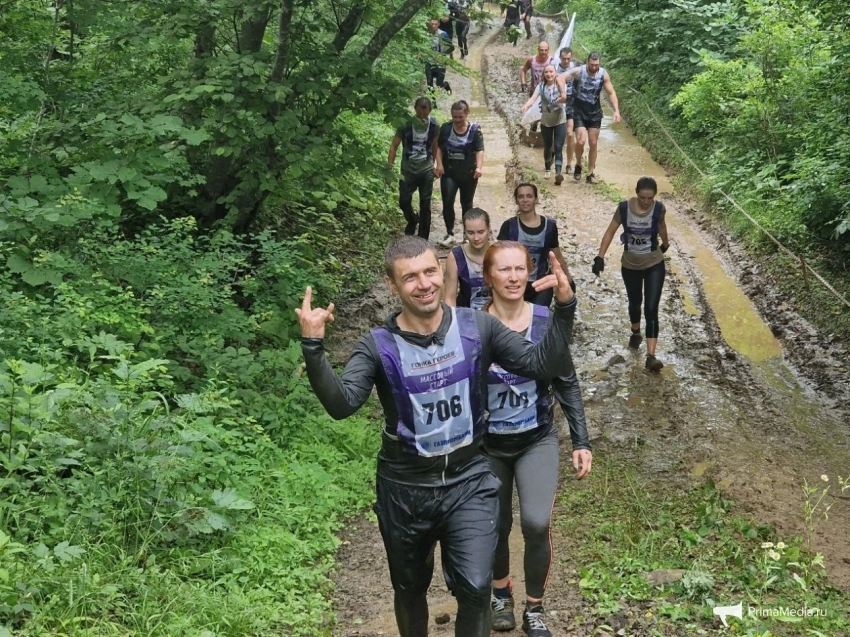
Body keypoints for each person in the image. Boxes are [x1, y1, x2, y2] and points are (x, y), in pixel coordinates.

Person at [297, 235, 579, 637]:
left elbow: (540, 363)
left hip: (469, 481)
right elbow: (342, 404)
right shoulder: (377, 346)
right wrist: (313, 347)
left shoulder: (476, 326)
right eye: (410, 277)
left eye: (430, 271)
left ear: (441, 273)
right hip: (406, 487)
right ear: (392, 285)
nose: (424, 284)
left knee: (477, 588)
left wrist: (564, 308)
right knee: (409, 589)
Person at [481, 241, 592, 637]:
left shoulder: (545, 321)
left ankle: (534, 608)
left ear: (530, 273)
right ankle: (500, 594)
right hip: (487, 445)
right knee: (494, 524)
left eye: (520, 269)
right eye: (504, 269)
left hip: (536, 439)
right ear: (488, 276)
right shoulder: (473, 325)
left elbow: (566, 381)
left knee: (535, 521)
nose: (513, 277)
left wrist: (581, 441)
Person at [592, 176, 669, 372]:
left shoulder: (659, 209)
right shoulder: (624, 208)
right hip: (630, 265)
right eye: (643, 197)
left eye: (650, 198)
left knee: (651, 308)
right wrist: (600, 256)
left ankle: (651, 356)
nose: (646, 202)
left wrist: (665, 243)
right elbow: (610, 231)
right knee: (635, 303)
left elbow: (661, 226)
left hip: (654, 263)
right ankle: (635, 332)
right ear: (636, 194)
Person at [497, 183, 573, 306]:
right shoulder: (509, 226)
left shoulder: (549, 227)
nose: (525, 200)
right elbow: (497, 259)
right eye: (521, 196)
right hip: (513, 284)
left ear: (536, 199)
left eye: (529, 196)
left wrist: (568, 280)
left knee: (538, 317)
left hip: (542, 285)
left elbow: (557, 256)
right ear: (516, 200)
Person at [560, 51, 620, 184]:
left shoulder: (603, 74)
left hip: (595, 112)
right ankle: (578, 164)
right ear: (588, 62)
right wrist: (563, 93)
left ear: (600, 63)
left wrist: (616, 111)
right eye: (592, 65)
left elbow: (611, 93)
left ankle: (590, 173)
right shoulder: (578, 72)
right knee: (581, 141)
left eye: (596, 65)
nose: (594, 67)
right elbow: (561, 78)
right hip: (579, 111)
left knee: (593, 143)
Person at [435, 100, 485, 247]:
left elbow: (479, 150)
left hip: (469, 173)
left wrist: (479, 167)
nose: (457, 120)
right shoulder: (446, 128)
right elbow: (438, 148)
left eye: (460, 117)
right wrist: (439, 164)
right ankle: (450, 234)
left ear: (467, 113)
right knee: (447, 202)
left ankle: (466, 235)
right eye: (454, 117)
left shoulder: (475, 130)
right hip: (449, 173)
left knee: (466, 204)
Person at [388, 97, 439, 239]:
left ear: (430, 110)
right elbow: (394, 146)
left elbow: (435, 145)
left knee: (425, 204)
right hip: (408, 169)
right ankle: (411, 219)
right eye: (419, 113)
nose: (422, 116)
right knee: (404, 201)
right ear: (415, 109)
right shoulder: (405, 124)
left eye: (425, 113)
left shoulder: (434, 125)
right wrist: (389, 169)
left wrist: (435, 164)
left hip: (426, 169)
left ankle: (423, 238)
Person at [521, 65, 567, 185]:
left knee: (558, 146)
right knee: (548, 146)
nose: (549, 74)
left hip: (560, 120)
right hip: (546, 121)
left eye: (551, 71)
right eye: (546, 72)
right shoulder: (541, 87)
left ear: (555, 72)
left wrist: (560, 99)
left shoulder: (560, 84)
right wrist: (526, 106)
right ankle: (547, 169)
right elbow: (533, 99)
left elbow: (564, 97)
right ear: (544, 74)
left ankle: (558, 173)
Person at [444, 208, 493, 309]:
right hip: (466, 312)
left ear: (489, 229)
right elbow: (450, 298)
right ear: (465, 232)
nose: (476, 238)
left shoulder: (500, 252)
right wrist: (452, 317)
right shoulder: (456, 256)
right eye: (471, 233)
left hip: (497, 313)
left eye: (481, 232)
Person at [555, 47, 578, 176]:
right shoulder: (554, 69)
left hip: (571, 103)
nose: (566, 61)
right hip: (557, 104)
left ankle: (569, 164)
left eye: (568, 59)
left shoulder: (575, 69)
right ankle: (553, 157)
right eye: (564, 59)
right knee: (556, 136)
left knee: (570, 134)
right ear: (560, 58)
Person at [425, 18, 453, 94]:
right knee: (429, 82)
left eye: (435, 24)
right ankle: (433, 100)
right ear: (429, 24)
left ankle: (446, 85)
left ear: (439, 25)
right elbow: (423, 46)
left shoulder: (443, 34)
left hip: (440, 62)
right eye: (432, 24)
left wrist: (443, 54)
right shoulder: (426, 34)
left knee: (439, 84)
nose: (433, 26)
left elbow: (451, 47)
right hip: (429, 61)